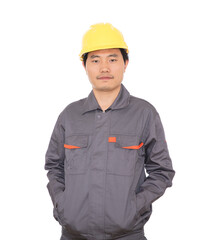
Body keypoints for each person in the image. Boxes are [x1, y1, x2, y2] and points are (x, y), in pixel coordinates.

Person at [45, 23, 175, 240]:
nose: (104, 68)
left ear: (125, 63)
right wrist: (63, 204)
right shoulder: (70, 115)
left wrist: (133, 208)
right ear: (85, 66)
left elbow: (162, 171)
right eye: (95, 60)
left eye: (112, 59)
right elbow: (54, 165)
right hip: (73, 234)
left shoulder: (144, 113)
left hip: (127, 235)